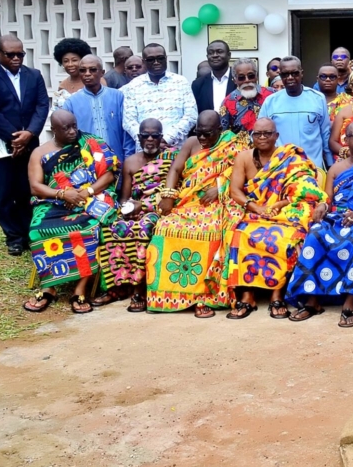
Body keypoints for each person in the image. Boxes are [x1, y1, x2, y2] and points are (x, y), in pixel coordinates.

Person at [287, 120, 353, 327]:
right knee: (315, 234)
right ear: (346, 140)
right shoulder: (335, 169)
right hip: (337, 217)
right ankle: (312, 300)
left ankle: (349, 302)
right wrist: (322, 207)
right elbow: (327, 198)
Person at [225, 118, 328, 320]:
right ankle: (247, 296)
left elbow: (304, 189)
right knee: (240, 232)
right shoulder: (244, 158)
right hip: (254, 211)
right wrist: (257, 208)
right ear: (251, 136)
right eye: (257, 134)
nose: (262, 138)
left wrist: (278, 206)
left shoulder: (290, 157)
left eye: (267, 133)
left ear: (276, 136)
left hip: (284, 211)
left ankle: (277, 294)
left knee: (286, 235)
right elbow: (235, 191)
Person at [21, 111, 119, 315]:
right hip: (53, 201)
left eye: (74, 125)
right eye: (66, 128)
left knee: (90, 229)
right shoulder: (40, 153)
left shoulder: (91, 143)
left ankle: (79, 289)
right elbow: (36, 187)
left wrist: (85, 192)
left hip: (91, 198)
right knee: (38, 229)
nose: (73, 131)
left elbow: (109, 175)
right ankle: (49, 286)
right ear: (53, 130)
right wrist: (62, 194)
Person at [147, 110, 244, 316]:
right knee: (165, 227)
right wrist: (168, 196)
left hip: (217, 204)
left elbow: (240, 172)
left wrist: (220, 187)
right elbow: (175, 169)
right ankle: (166, 296)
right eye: (198, 132)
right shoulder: (191, 143)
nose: (201, 138)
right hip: (189, 201)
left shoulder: (233, 144)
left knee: (213, 231)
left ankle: (204, 296)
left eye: (207, 134)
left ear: (219, 130)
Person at [0, 36, 50, 255]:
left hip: (29, 145)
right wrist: (14, 137)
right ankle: (14, 237)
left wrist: (30, 134)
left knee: (27, 190)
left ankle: (29, 234)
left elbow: (42, 105)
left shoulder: (34, 75)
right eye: (11, 54)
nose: (16, 58)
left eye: (20, 54)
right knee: (4, 192)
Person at [93, 119, 177, 312]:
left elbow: (173, 191)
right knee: (111, 229)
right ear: (138, 138)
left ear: (161, 138)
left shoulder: (171, 158)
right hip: (134, 210)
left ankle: (139, 288)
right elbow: (124, 197)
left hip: (159, 210)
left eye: (154, 136)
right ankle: (118, 287)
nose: (149, 139)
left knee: (143, 229)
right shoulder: (130, 162)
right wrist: (127, 210)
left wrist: (145, 205)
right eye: (145, 135)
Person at [258, 56, 334, 172]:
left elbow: (325, 134)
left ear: (301, 73)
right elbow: (260, 134)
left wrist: (330, 164)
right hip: (281, 169)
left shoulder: (317, 98)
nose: (290, 78)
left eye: (294, 73)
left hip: (313, 169)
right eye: (285, 74)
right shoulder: (271, 101)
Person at [62, 55, 136, 165]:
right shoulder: (71, 102)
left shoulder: (118, 96)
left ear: (102, 72)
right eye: (82, 70)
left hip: (118, 161)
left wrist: (128, 159)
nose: (87, 74)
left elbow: (127, 132)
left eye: (92, 70)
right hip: (86, 164)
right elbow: (66, 137)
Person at [121, 43, 197, 150]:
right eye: (151, 59)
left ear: (166, 59)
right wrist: (151, 140)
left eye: (160, 58)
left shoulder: (181, 82)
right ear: (143, 62)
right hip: (145, 151)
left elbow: (191, 115)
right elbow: (128, 121)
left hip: (176, 149)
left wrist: (167, 139)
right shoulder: (133, 86)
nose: (156, 62)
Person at [219, 60, 274, 137]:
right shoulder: (227, 103)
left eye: (251, 76)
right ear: (235, 80)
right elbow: (224, 134)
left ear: (256, 76)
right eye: (241, 78)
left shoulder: (272, 94)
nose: (247, 80)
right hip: (242, 148)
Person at [191, 40, 234, 113]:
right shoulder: (198, 84)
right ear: (207, 57)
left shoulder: (240, 79)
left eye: (219, 51)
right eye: (211, 53)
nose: (215, 55)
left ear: (229, 55)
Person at [51, 38, 92, 112]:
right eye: (66, 61)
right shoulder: (62, 86)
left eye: (74, 60)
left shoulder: (95, 81)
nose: (70, 64)